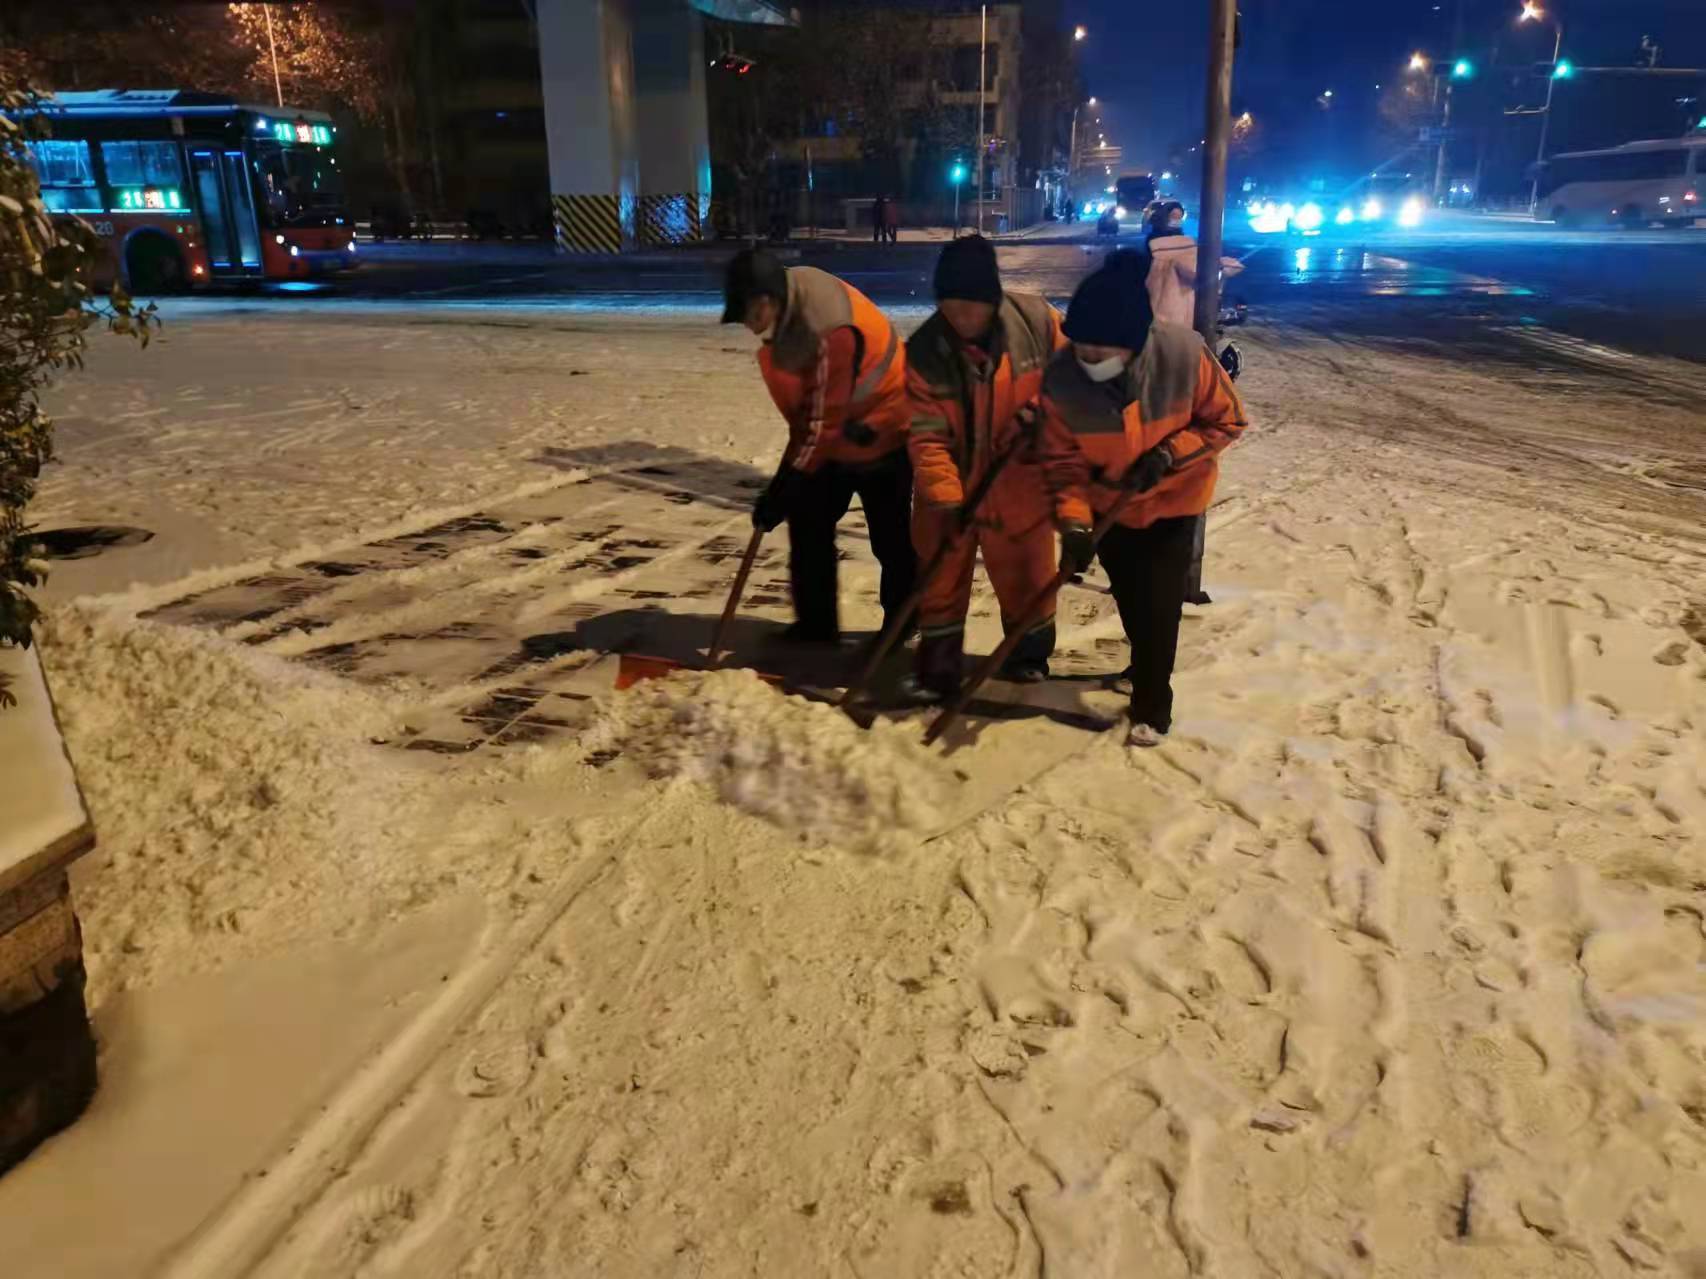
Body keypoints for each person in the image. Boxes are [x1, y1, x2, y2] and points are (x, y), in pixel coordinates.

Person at [1040, 252, 1249, 748]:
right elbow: (1061, 463)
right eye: (1082, 348)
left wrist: (1170, 454)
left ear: (1134, 344)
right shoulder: (1062, 380)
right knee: (1132, 599)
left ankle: (1154, 704)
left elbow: (1229, 420)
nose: (1089, 359)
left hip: (1173, 502)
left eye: (1102, 351)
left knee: (1158, 607)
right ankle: (1143, 664)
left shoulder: (1183, 357)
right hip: (1108, 507)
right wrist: (1073, 525)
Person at [902, 235, 1069, 701]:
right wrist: (946, 498)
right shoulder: (925, 351)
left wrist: (1042, 412)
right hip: (948, 483)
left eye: (970, 307)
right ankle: (939, 663)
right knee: (940, 571)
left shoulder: (1037, 323)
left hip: (1017, 476)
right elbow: (926, 435)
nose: (960, 318)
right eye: (949, 307)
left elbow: (1075, 375)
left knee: (1026, 570)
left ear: (991, 301)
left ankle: (1028, 656)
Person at [721, 248, 917, 644]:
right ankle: (816, 626)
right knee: (808, 519)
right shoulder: (787, 308)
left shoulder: (829, 328)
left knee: (889, 535)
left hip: (887, 422)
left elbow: (821, 424)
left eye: (751, 316)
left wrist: (786, 483)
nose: (749, 327)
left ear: (767, 301)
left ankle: (901, 625)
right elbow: (809, 418)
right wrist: (783, 486)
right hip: (840, 428)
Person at [1145, 202, 1244, 605]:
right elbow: (1227, 422)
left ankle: (1154, 560)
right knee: (1184, 474)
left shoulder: (1146, 256)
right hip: (1186, 358)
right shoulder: (1193, 258)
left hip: (1151, 357)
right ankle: (1177, 569)